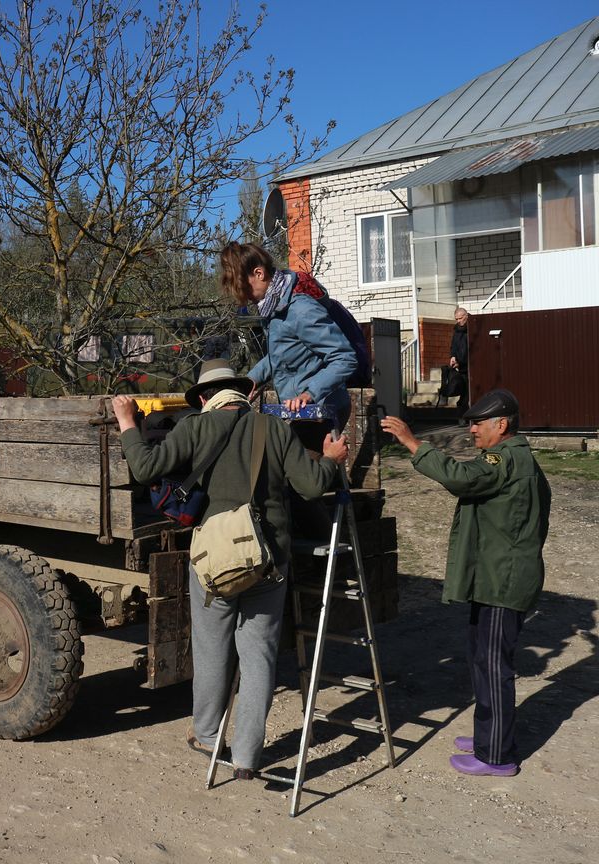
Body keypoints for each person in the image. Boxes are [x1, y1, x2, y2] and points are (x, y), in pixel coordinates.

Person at [111, 360, 349, 780]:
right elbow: (312, 486)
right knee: (258, 657)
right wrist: (330, 459)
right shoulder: (276, 429)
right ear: (244, 394)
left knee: (212, 650)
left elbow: (145, 468)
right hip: (268, 560)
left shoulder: (195, 427)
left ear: (205, 398)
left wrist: (128, 422)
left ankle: (206, 734)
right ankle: (246, 758)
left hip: (214, 562)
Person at [381, 391, 549, 777]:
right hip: (496, 576)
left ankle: (497, 756)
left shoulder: (505, 459)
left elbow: (461, 477)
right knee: (482, 659)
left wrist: (412, 442)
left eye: (478, 423)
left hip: (501, 582)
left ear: (501, 425)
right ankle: (489, 736)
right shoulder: (516, 459)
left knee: (493, 667)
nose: (471, 430)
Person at [218, 242, 356, 428]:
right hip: (301, 410)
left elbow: (345, 357)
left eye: (245, 287)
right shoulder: (275, 309)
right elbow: (281, 355)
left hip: (322, 411)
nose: (246, 297)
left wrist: (310, 393)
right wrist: (249, 381)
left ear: (259, 273)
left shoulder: (300, 310)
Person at [442, 307, 470, 410]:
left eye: (460, 318)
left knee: (467, 391)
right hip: (460, 365)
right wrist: (453, 356)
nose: (458, 321)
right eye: (456, 319)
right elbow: (454, 345)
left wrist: (462, 362)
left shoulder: (473, 327)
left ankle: (463, 412)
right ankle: (462, 411)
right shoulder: (457, 330)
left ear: (466, 316)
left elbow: (470, 349)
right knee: (463, 390)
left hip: (469, 365)